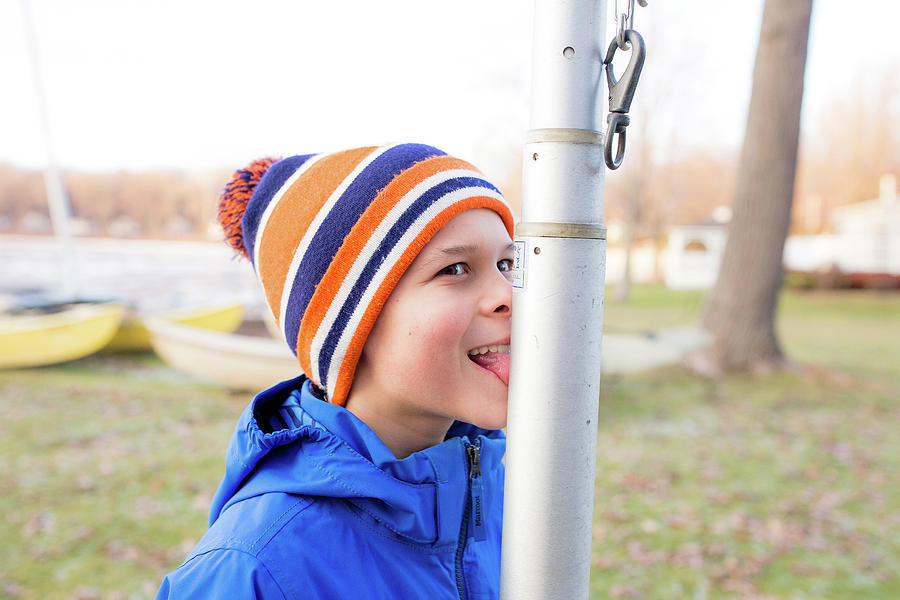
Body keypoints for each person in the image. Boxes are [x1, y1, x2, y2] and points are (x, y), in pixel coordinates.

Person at [155, 143, 515, 599]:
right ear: (351, 328)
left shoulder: (497, 496)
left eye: (507, 264)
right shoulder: (255, 569)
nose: (511, 294)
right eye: (456, 268)